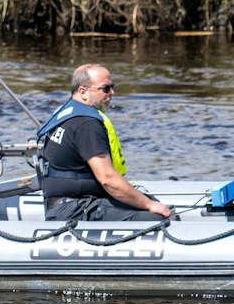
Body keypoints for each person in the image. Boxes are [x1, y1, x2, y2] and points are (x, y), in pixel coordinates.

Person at [35, 63, 174, 222]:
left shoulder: (67, 111)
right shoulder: (86, 124)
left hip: (65, 202)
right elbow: (107, 179)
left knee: (149, 202)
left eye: (112, 87)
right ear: (83, 91)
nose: (112, 93)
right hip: (76, 209)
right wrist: (149, 205)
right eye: (105, 88)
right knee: (156, 217)